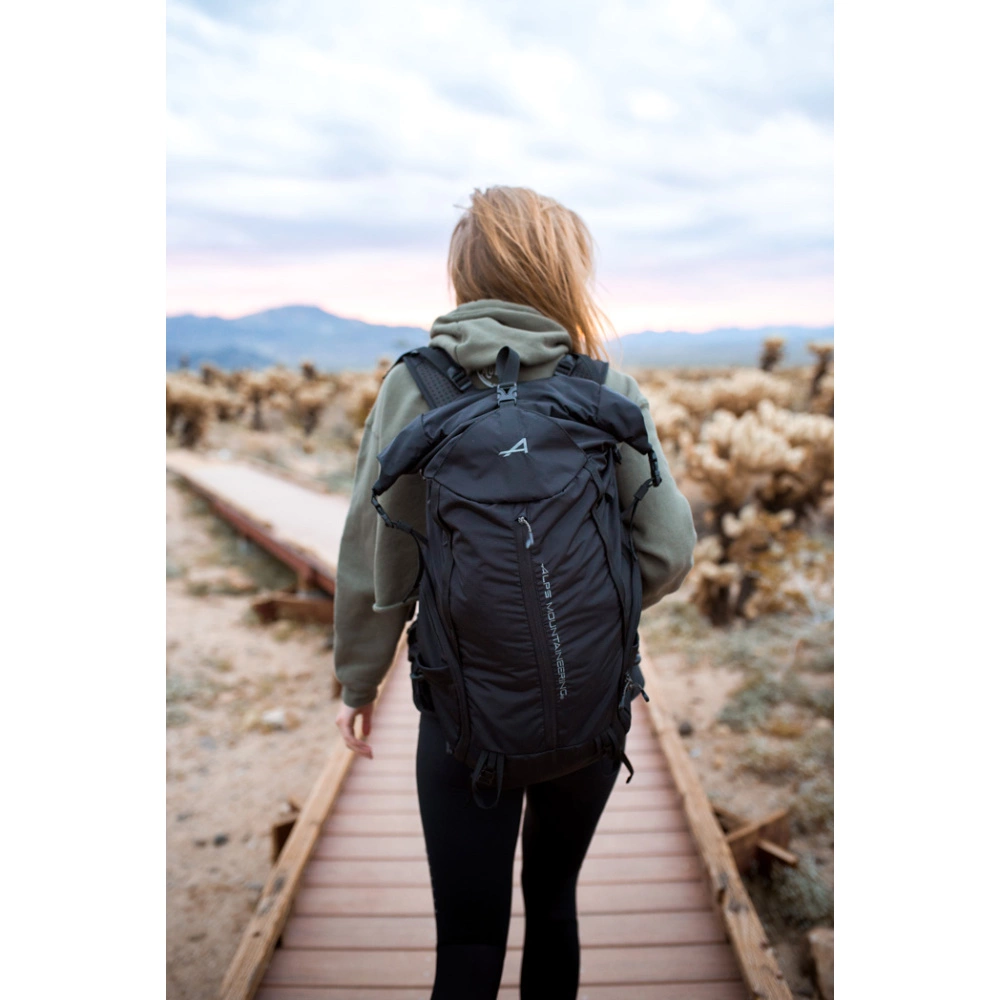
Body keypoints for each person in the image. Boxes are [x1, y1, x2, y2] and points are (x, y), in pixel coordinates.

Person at [333, 186, 697, 1000]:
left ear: (465, 275)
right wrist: (585, 605)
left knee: (467, 940)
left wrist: (360, 680)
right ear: (561, 272)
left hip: (466, 722)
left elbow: (377, 562)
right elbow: (669, 551)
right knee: (555, 905)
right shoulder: (604, 387)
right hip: (591, 712)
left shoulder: (415, 385)